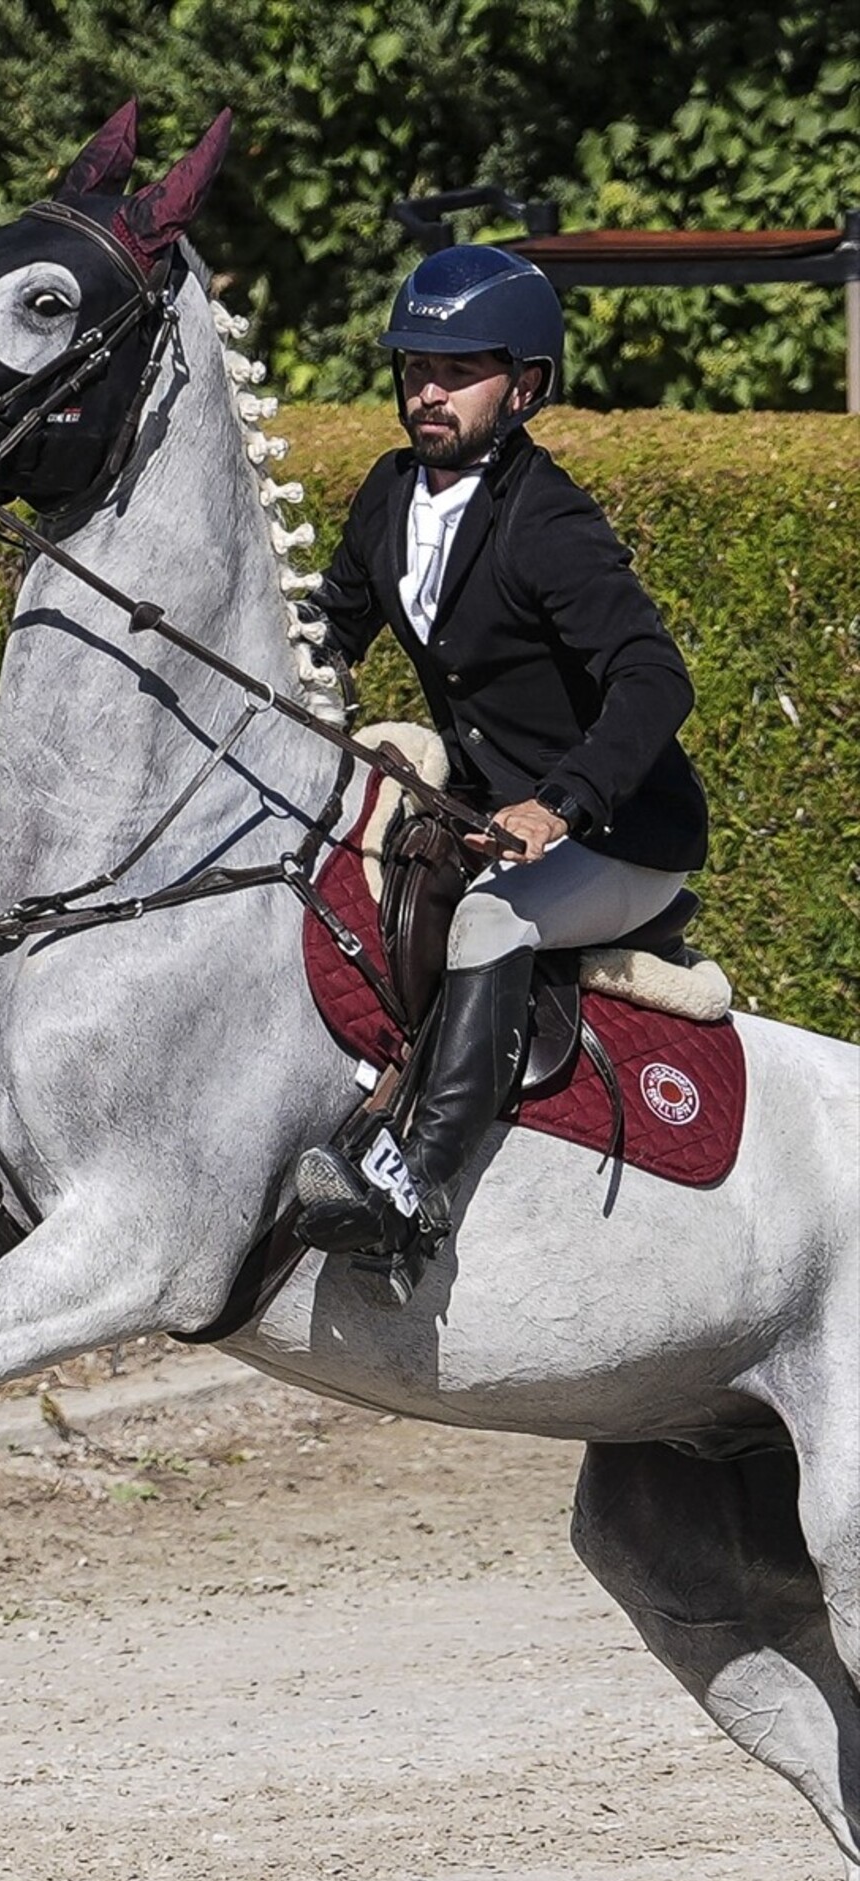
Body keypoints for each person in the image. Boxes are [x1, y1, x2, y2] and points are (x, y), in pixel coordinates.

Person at [294, 244, 708, 1289]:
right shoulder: (388, 493)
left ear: (522, 386)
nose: (424, 391)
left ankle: (413, 1184)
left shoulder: (548, 519)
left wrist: (561, 803)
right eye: (411, 368)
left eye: (456, 369)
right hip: (485, 815)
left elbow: (653, 679)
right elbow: (331, 629)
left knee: (489, 920)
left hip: (620, 835)